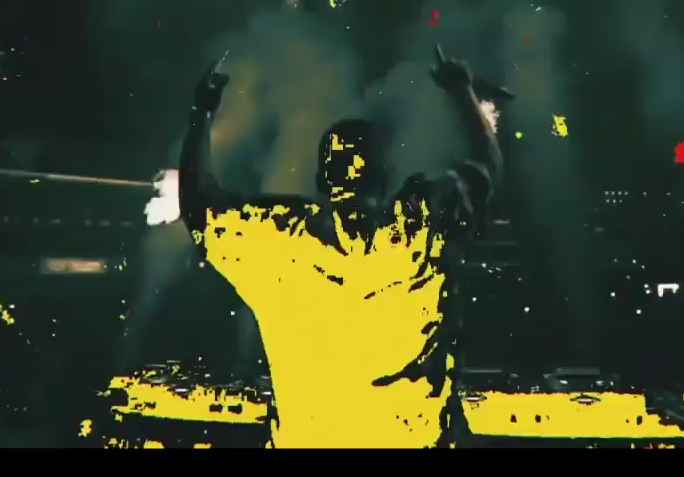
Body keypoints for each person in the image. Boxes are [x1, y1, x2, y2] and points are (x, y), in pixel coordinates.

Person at [179, 46, 502, 448]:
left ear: (321, 178)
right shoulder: (423, 225)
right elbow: (487, 165)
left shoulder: (276, 241)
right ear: (385, 174)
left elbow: (197, 205)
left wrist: (203, 112)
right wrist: (461, 90)